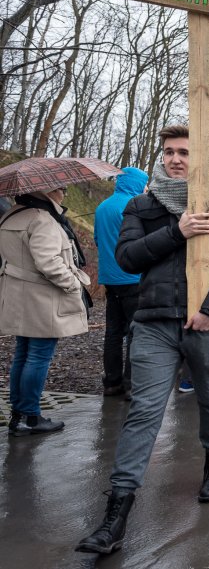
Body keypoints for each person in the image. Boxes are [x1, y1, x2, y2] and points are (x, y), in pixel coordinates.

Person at [76, 125, 209, 555]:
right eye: (169, 152)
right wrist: (179, 230)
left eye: (185, 152)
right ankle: (115, 516)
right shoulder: (142, 204)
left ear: (200, 158)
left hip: (206, 322)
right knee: (144, 411)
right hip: (153, 321)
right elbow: (127, 257)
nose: (175, 159)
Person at [1, 186, 91, 436]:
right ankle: (30, 416)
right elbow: (48, 262)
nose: (64, 192)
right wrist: (73, 284)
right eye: (61, 189)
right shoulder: (42, 219)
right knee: (38, 355)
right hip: (41, 298)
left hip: (19, 296)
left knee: (24, 353)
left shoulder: (12, 214)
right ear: (47, 191)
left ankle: (19, 415)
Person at [94, 166, 149, 400]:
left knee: (113, 333)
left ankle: (111, 382)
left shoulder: (102, 207)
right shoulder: (136, 206)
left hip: (109, 277)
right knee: (137, 332)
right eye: (145, 183)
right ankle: (131, 384)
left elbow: (97, 239)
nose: (147, 188)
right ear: (137, 183)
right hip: (132, 277)